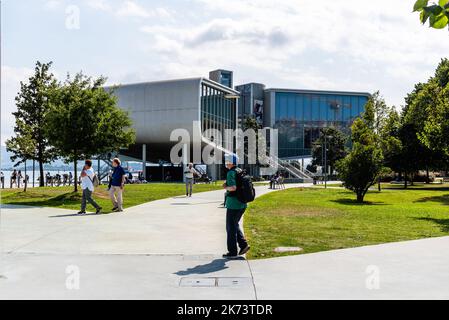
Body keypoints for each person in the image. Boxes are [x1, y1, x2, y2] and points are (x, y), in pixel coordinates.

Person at [222, 154, 251, 259]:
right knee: (234, 225)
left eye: (227, 160)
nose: (226, 162)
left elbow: (233, 188)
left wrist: (225, 186)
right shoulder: (239, 170)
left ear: (231, 162)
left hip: (233, 204)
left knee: (230, 228)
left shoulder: (230, 172)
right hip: (242, 204)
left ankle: (232, 251)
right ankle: (243, 245)